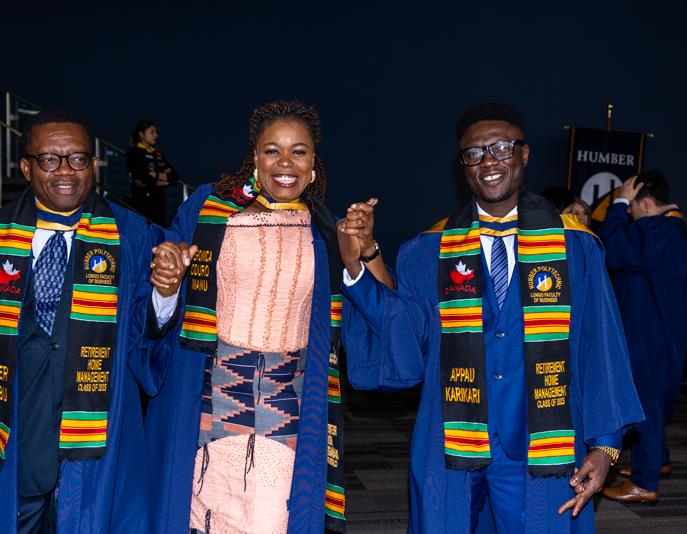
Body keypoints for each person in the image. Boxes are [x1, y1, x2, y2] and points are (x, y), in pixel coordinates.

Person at [339, 102, 644, 533]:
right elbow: (406, 334)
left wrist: (607, 448)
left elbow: (602, 346)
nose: (489, 162)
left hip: (545, 440)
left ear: (524, 153)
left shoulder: (575, 246)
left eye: (502, 148)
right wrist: (359, 265)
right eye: (474, 153)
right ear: (461, 163)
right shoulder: (429, 250)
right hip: (452, 441)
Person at [0, 108, 166, 533]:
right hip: (10, 442)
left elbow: (145, 333)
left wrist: (166, 293)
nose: (65, 170)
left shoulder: (131, 236)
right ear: (26, 166)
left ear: (94, 165)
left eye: (77, 158)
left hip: (96, 444)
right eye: (49, 159)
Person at [143, 100, 388, 534]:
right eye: (272, 150)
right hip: (207, 396)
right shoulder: (208, 211)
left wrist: (364, 251)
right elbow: (165, 290)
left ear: (314, 164)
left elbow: (385, 312)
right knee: (204, 513)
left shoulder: (327, 229)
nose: (285, 162)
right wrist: (167, 280)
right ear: (254, 158)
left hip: (289, 403)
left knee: (271, 517)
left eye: (299, 150)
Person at [598, 170, 687, 503]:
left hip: (649, 331)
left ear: (646, 203)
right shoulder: (676, 229)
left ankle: (644, 483)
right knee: (658, 397)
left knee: (645, 402)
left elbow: (613, 248)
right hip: (668, 330)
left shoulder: (659, 228)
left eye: (633, 208)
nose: (629, 215)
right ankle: (658, 462)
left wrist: (618, 203)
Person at [126, 119, 179, 226]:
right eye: (152, 132)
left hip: (159, 203)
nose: (156, 135)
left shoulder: (158, 154)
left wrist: (155, 175)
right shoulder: (134, 153)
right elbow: (144, 178)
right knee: (143, 236)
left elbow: (174, 176)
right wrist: (164, 180)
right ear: (141, 134)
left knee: (160, 237)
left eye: (156, 132)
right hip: (141, 202)